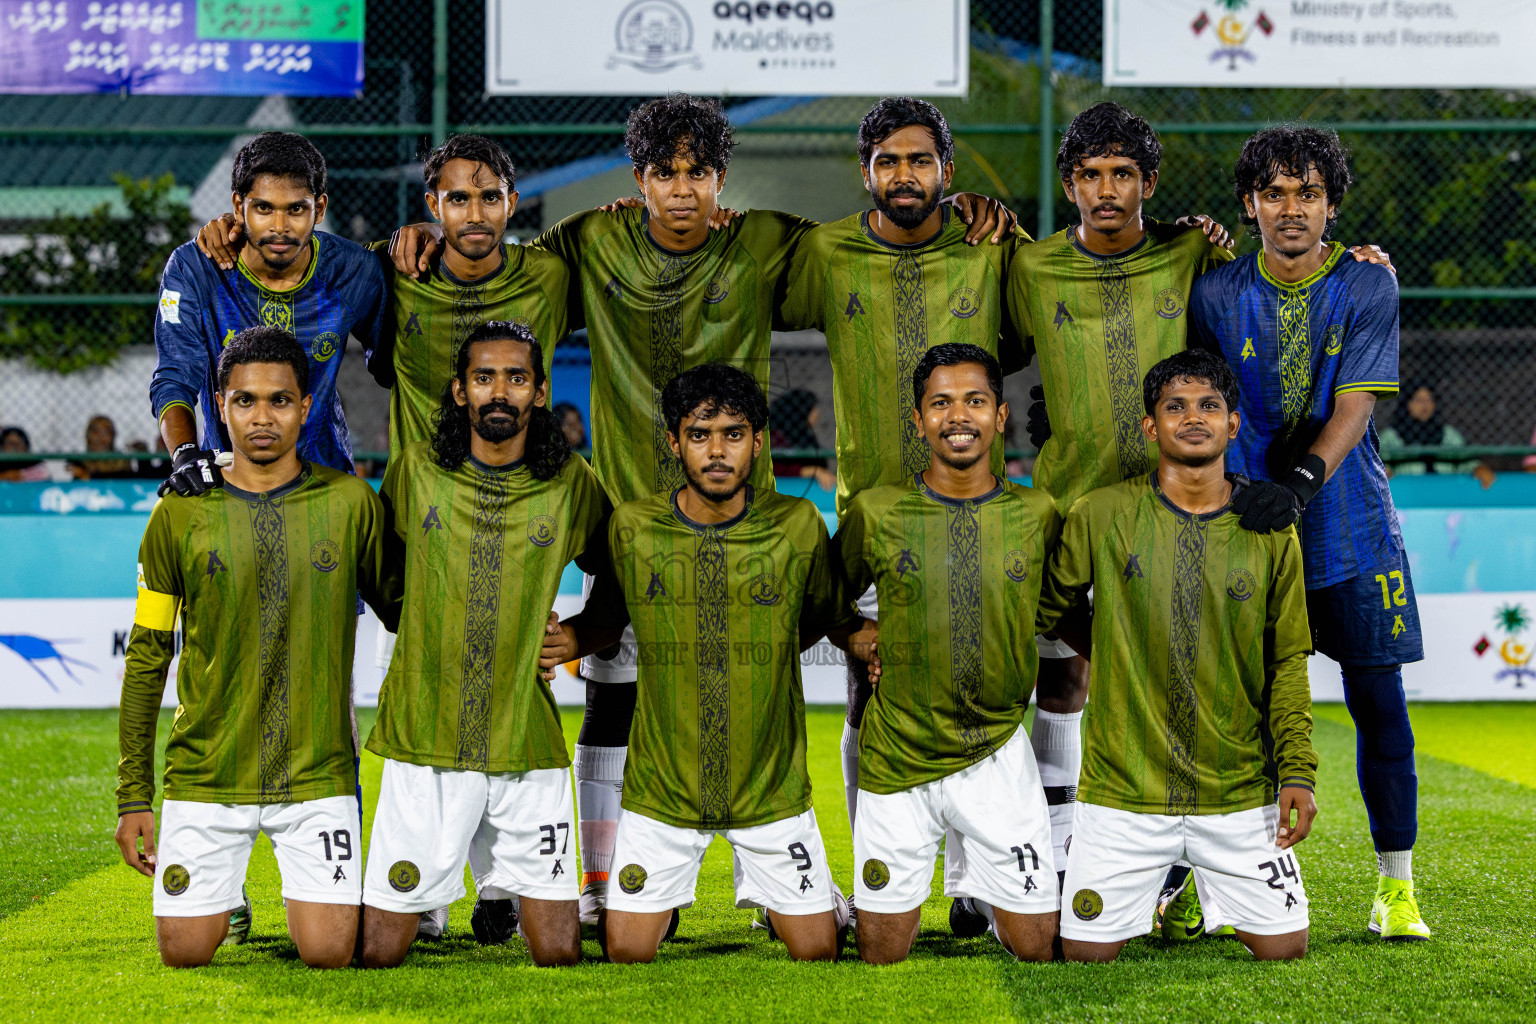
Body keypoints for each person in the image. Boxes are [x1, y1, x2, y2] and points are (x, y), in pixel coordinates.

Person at [387, 94, 1014, 927]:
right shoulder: (589, 240)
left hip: (744, 520)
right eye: (662, 173)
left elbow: (881, 244)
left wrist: (976, 208)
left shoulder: (769, 242)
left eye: (698, 173)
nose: (682, 191)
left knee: (761, 687)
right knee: (615, 692)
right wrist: (424, 236)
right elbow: (496, 260)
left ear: (723, 178)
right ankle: (601, 883)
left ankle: (793, 877)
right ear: (637, 180)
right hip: (625, 513)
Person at [777, 98, 1030, 887]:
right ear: (866, 173)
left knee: (978, 682)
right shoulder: (825, 250)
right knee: (869, 686)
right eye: (888, 161)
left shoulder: (991, 244)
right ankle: (874, 875)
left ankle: (973, 883)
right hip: (872, 509)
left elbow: (1023, 342)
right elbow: (744, 278)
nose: (905, 175)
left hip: (977, 506)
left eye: (920, 160)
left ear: (947, 172)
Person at [1191, 123, 1430, 941]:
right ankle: (1221, 886)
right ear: (1250, 204)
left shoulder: (1368, 285)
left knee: (1377, 701)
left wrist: (1298, 481)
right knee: (1234, 708)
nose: (1292, 209)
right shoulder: (1216, 291)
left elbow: (1358, 405)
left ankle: (1395, 889)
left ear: (1332, 203)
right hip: (1246, 526)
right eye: (1276, 193)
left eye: (1309, 193)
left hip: (1352, 524)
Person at [540, 363, 862, 963]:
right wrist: (564, 642)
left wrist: (870, 642)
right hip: (662, 796)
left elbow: (829, 616)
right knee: (627, 952)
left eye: (733, 434)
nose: (717, 451)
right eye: (699, 434)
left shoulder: (796, 525)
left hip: (771, 793)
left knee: (818, 951)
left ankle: (810, 898)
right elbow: (608, 619)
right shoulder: (634, 528)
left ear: (758, 443)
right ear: (674, 442)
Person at [114, 326, 401, 968]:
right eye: (245, 401)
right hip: (207, 775)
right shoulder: (178, 515)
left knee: (329, 953)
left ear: (307, 407)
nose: (262, 417)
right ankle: (223, 896)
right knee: (184, 952)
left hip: (316, 774)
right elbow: (146, 658)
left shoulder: (353, 503)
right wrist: (135, 796)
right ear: (220, 406)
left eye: (279, 400)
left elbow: (409, 615)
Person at [1038, 349, 1317, 963]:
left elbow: (1288, 659)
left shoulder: (1270, 529)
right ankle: (1164, 887)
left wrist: (1297, 771)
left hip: (1238, 790)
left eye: (1210, 406)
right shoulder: (1102, 514)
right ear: (1150, 426)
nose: (1194, 418)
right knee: (1085, 955)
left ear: (1233, 424)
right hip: (1122, 792)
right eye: (1176, 407)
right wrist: (1105, 646)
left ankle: (1184, 888)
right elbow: (1047, 606)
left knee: (1284, 949)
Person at [359, 321, 608, 968]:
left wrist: (580, 635)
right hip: (425, 732)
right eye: (484, 377)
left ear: (541, 392)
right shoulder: (416, 472)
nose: (500, 392)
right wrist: (432, 632)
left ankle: (502, 896)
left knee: (558, 950)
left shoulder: (571, 482)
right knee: (381, 949)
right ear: (460, 391)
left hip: (526, 732)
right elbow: (386, 583)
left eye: (517, 378)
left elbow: (623, 576)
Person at [835, 344, 1062, 964]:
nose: (958, 415)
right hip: (899, 754)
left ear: (1000, 415)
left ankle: (982, 893)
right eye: (940, 403)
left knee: (1037, 949)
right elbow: (823, 599)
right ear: (918, 420)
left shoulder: (1038, 514)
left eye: (974, 401)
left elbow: (1055, 610)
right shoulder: (875, 511)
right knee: (880, 953)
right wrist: (854, 631)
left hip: (997, 751)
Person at [152, 131, 389, 498]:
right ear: (238, 205)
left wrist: (424, 239)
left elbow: (393, 367)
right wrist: (184, 454)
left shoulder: (353, 270)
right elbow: (174, 376)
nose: (279, 226)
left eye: (296, 208)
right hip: (228, 482)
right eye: (263, 208)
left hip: (324, 484)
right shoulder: (195, 268)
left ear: (320, 208)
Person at [1378, 382, 1495, 486]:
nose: (1425, 405)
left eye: (1429, 400)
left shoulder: (1448, 433)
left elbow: (1466, 460)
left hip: (1445, 491)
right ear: (1407, 404)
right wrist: (1384, 471)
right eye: (1418, 400)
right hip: (1410, 492)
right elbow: (1380, 465)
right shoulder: (1391, 436)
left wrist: (1479, 468)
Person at [768, 387, 833, 490]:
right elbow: (773, 468)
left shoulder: (803, 436)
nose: (817, 412)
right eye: (813, 408)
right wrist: (811, 471)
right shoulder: (776, 436)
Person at [71, 415, 136, 480]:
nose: (100, 438)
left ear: (112, 436)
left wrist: (87, 477)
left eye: (105, 433)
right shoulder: (81, 463)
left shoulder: (122, 462)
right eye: (95, 432)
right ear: (88, 436)